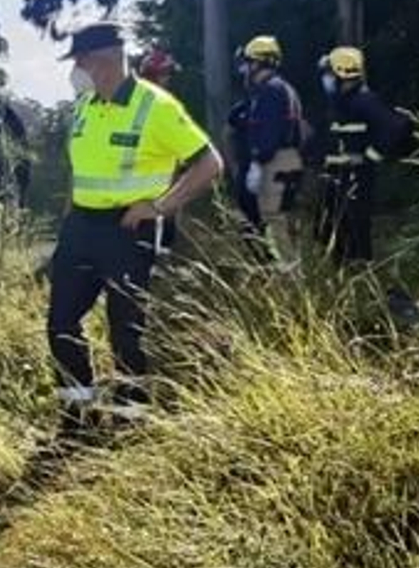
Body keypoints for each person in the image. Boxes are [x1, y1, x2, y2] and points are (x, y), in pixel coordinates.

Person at [48, 23, 222, 430]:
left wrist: (161, 206)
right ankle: (78, 416)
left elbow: (210, 163)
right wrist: (71, 212)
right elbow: (82, 166)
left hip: (127, 229)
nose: (75, 69)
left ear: (105, 60)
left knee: (127, 332)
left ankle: (132, 422)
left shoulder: (155, 107)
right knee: (60, 323)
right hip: (81, 229)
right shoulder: (84, 105)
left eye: (80, 61)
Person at [314, 46, 410, 264]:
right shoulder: (342, 103)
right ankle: (340, 276)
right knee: (331, 231)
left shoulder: (364, 101)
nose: (326, 79)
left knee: (355, 233)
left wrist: (368, 158)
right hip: (337, 177)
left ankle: (361, 278)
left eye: (329, 73)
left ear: (341, 73)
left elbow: (395, 127)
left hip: (355, 179)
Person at [233, 35, 307, 264]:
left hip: (274, 163)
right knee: (276, 222)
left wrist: (257, 163)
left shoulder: (270, 92)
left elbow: (269, 135)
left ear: (257, 62)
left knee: (274, 225)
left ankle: (288, 280)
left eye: (247, 62)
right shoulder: (282, 89)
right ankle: (282, 274)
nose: (244, 69)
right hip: (285, 160)